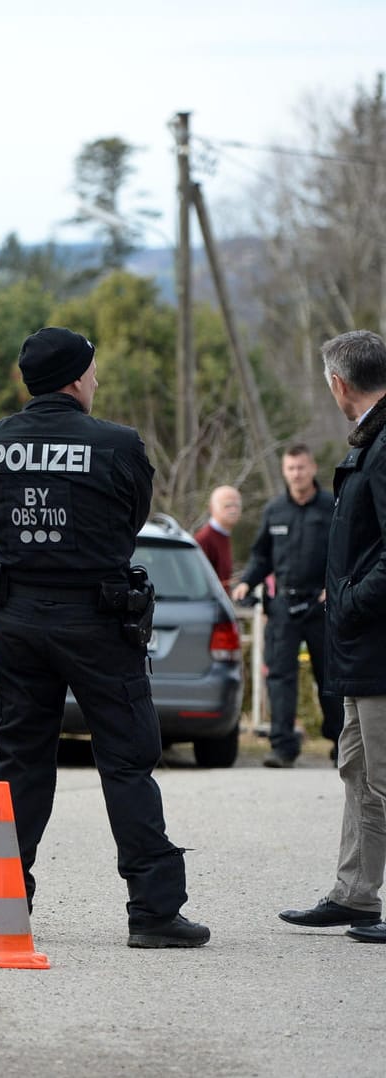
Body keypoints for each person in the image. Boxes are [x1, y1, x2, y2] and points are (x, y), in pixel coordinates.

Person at [0, 326, 209, 949]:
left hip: (17, 618)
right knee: (127, 762)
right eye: (94, 371)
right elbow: (131, 518)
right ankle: (155, 913)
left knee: (17, 760)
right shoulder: (118, 444)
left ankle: (1, 908)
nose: (97, 380)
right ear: (76, 379)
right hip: (98, 621)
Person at [280, 329, 386, 942]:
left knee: (384, 773)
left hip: (377, 643)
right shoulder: (371, 442)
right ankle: (355, 894)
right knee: (357, 767)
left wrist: (348, 603)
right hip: (361, 648)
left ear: (338, 385)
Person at [232, 445, 342, 767]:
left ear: (312, 468)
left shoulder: (331, 506)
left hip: (322, 605)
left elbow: (345, 551)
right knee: (280, 677)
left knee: (331, 677)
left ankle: (340, 744)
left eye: (302, 468)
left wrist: (333, 587)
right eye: (291, 468)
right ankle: (282, 747)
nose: (296, 474)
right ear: (284, 471)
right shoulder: (275, 510)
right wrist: (246, 582)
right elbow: (261, 555)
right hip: (282, 606)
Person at [197, 485, 241, 585]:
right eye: (227, 506)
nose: (233, 510)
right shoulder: (204, 539)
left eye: (237, 505)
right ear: (212, 508)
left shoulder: (224, 535)